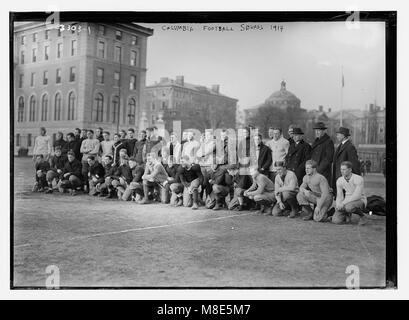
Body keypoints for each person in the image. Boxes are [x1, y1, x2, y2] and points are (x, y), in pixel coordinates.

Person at [332, 161, 368, 225]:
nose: (342, 171)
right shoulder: (339, 180)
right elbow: (340, 195)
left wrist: (343, 203)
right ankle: (347, 214)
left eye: (344, 169)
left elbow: (357, 196)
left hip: (359, 200)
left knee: (349, 207)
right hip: (347, 201)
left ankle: (363, 216)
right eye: (341, 169)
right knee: (336, 221)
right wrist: (338, 204)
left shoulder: (358, 178)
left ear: (350, 170)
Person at [332, 127, 360, 191]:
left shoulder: (350, 147)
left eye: (338, 134)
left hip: (345, 179)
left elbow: (354, 164)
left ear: (343, 135)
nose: (337, 136)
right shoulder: (341, 145)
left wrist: (357, 178)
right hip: (339, 177)